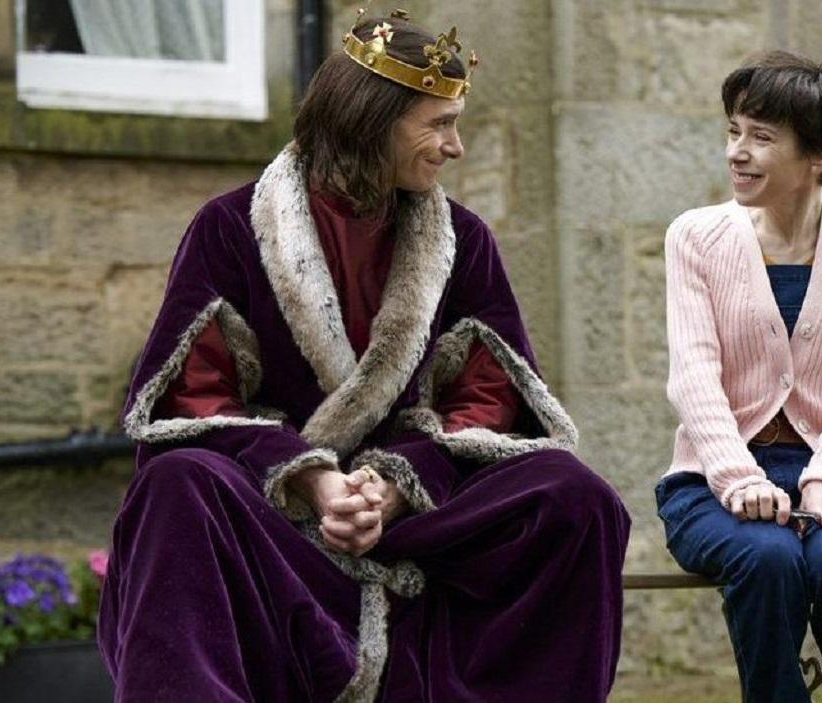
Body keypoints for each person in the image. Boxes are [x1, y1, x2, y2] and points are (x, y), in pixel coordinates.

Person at [99, 9, 630, 702]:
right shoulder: (229, 229)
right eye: (439, 125)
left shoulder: (464, 241)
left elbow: (488, 401)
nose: (455, 146)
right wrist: (313, 480)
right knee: (178, 482)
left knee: (574, 496)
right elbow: (191, 399)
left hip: (416, 517)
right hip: (271, 514)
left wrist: (394, 483)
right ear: (374, 120)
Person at [656, 51, 822, 703]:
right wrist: (737, 477)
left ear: (819, 155)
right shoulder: (695, 237)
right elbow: (693, 376)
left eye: (761, 137)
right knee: (767, 557)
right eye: (733, 131)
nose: (736, 152)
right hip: (710, 481)